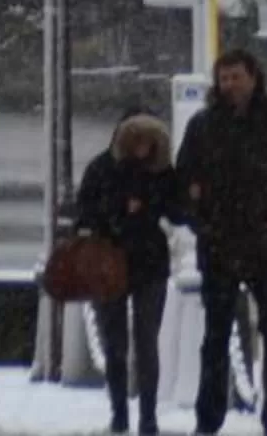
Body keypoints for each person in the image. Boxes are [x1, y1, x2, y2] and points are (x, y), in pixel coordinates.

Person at [174, 48, 267, 436]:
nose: (230, 85)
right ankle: (208, 419)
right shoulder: (203, 126)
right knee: (215, 337)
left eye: (236, 77)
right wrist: (201, 222)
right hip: (218, 245)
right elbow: (183, 180)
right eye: (224, 78)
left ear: (254, 77)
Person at [74, 115, 182, 436]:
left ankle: (146, 416)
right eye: (137, 139)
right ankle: (121, 412)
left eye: (148, 140)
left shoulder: (159, 172)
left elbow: (179, 212)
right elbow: (85, 213)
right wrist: (123, 210)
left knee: (143, 343)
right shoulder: (103, 169)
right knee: (117, 344)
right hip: (116, 262)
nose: (142, 147)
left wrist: (150, 204)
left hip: (144, 264)